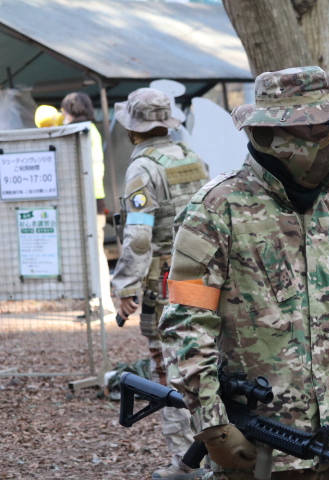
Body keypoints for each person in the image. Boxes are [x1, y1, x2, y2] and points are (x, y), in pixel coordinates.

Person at [158, 66, 329, 480]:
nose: (326, 138)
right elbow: (186, 323)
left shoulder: (328, 206)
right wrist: (213, 427)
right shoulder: (216, 207)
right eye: (313, 128)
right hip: (262, 437)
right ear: (269, 134)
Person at [111, 88, 209, 479]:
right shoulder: (191, 158)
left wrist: (125, 287)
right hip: (204, 276)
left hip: (165, 283)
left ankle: (186, 462)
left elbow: (139, 237)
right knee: (204, 362)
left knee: (167, 368)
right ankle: (220, 453)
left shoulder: (142, 168)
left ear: (133, 129)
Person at [59, 92, 116, 319]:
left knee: (94, 254)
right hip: (93, 200)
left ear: (71, 110)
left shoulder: (79, 130)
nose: (62, 114)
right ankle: (96, 303)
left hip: (87, 200)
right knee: (91, 254)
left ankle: (104, 305)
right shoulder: (90, 129)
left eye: (64, 110)